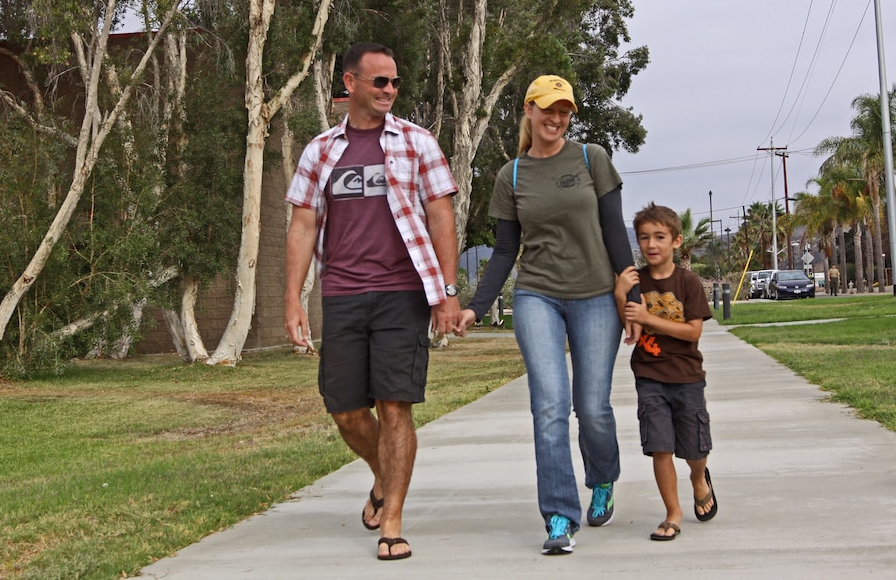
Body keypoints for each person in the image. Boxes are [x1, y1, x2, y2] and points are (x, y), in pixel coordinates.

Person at [284, 42, 461, 562]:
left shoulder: (418, 143)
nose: (389, 90)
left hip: (403, 293)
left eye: (394, 82)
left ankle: (394, 521)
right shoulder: (321, 150)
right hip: (341, 293)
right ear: (350, 83)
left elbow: (441, 216)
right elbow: (302, 224)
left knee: (395, 405)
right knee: (344, 411)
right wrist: (293, 299)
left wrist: (447, 293)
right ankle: (384, 476)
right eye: (379, 81)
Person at [455, 75, 636, 555]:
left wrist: (631, 291)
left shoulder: (591, 158)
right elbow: (504, 252)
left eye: (565, 111)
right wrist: (477, 306)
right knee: (549, 406)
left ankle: (602, 479)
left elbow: (615, 229)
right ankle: (559, 515)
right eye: (548, 109)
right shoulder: (511, 176)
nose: (556, 118)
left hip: (596, 295)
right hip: (537, 296)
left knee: (592, 407)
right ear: (529, 111)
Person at [614, 203, 716, 542]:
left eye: (659, 237)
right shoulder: (635, 281)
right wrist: (619, 295)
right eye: (644, 237)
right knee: (660, 447)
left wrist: (649, 319)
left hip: (687, 375)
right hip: (649, 375)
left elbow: (692, 332)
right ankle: (673, 513)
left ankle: (699, 478)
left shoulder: (688, 282)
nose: (651, 244)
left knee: (694, 449)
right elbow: (627, 327)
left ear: (676, 240)